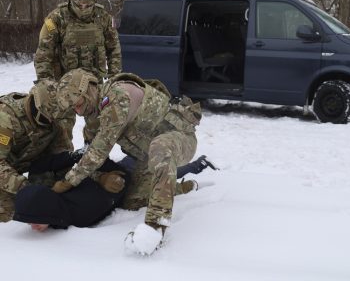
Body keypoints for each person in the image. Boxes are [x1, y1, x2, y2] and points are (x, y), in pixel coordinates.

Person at [54, 68, 202, 255]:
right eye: (72, 108)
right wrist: (102, 177)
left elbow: (100, 149)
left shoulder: (119, 95)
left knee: (159, 147)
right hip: (147, 156)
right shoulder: (93, 117)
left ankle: (155, 228)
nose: (77, 110)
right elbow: (89, 154)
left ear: (89, 90)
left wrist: (68, 181)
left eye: (78, 103)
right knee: (131, 200)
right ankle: (183, 188)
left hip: (179, 140)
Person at [13, 155, 217, 231]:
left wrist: (103, 177)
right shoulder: (58, 208)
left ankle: (196, 171)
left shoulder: (81, 211)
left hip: (125, 176)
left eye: (35, 220)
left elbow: (117, 184)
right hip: (115, 177)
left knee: (165, 177)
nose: (32, 226)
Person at [34, 0, 122, 144]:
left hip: (94, 85)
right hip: (63, 84)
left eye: (88, 4)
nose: (83, 7)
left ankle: (94, 162)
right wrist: (46, 83)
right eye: (78, 4)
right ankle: (62, 163)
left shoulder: (103, 17)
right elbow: (43, 54)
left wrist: (114, 78)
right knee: (61, 130)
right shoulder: (56, 18)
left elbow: (114, 50)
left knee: (98, 127)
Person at [0, 80, 74, 222]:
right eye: (48, 117)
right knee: (11, 212)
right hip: (4, 169)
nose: (53, 121)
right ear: (36, 106)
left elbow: (62, 154)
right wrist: (26, 188)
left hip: (28, 162)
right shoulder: (5, 117)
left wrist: (69, 180)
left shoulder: (56, 116)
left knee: (51, 200)